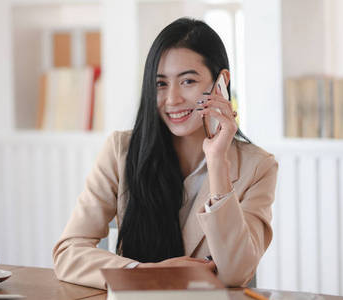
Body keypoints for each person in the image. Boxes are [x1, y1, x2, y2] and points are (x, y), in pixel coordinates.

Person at [52, 17, 278, 290]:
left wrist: (218, 161)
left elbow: (235, 274)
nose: (172, 99)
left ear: (221, 82)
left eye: (188, 81)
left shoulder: (258, 166)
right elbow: (69, 253)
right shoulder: (120, 151)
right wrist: (147, 274)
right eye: (161, 84)